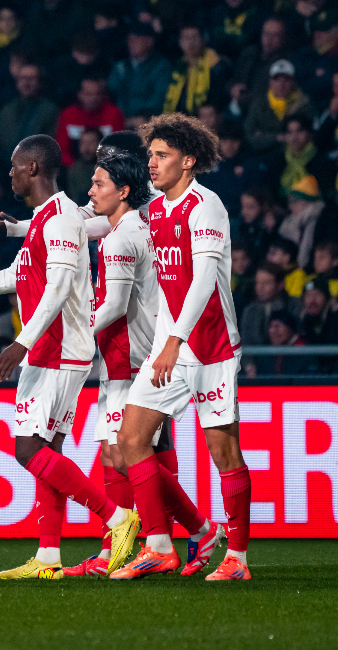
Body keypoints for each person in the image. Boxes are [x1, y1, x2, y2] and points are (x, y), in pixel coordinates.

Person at [0, 134, 140, 579]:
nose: (8, 173)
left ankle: (116, 518)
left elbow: (60, 287)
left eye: (13, 165)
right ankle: (48, 557)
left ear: (32, 168)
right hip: (50, 347)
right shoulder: (47, 219)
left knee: (28, 448)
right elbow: (16, 276)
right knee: (47, 450)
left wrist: (21, 342)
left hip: (59, 348)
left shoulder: (63, 215)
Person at [106, 113, 248, 580]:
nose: (152, 163)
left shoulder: (206, 206)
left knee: (224, 454)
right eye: (150, 155)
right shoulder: (155, 211)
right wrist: (12, 231)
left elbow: (205, 279)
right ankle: (161, 545)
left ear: (188, 161)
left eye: (162, 155)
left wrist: (172, 341)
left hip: (211, 346)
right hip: (173, 344)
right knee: (130, 440)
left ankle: (238, 559)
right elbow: (95, 225)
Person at [67, 150, 216, 577]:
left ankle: (159, 540)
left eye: (98, 182)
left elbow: (114, 303)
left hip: (133, 357)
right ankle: (182, 534)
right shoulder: (133, 226)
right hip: (128, 354)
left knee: (125, 451)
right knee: (124, 454)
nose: (90, 192)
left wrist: (73, 332)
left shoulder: (120, 237)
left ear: (124, 189)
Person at [244, 59, 313, 154]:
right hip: (265, 155)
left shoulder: (303, 104)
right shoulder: (259, 104)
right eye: (276, 79)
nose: (281, 84)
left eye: (286, 79)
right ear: (270, 81)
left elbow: (309, 135)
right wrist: (277, 138)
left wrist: (264, 136)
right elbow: (250, 136)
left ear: (293, 82)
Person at [0, 62, 58, 161]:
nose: (26, 82)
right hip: (5, 165)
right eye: (23, 78)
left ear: (39, 82)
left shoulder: (49, 111)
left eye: (31, 78)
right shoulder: (7, 110)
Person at [107, 22, 171, 122]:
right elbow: (111, 93)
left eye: (136, 40)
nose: (131, 43)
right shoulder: (120, 67)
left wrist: (145, 115)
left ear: (149, 41)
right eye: (129, 40)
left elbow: (159, 97)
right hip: (120, 119)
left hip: (148, 120)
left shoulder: (161, 67)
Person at [55, 77, 124, 167]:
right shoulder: (68, 115)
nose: (93, 99)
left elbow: (119, 148)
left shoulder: (114, 114)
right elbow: (61, 150)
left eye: (97, 94)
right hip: (73, 169)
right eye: (88, 94)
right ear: (80, 95)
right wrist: (77, 168)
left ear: (103, 95)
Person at [164, 24, 229, 117]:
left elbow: (219, 101)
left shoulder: (217, 66)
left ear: (204, 40)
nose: (191, 42)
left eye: (195, 37)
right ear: (180, 42)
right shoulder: (175, 68)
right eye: (186, 38)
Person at [241, 262, 300, 345]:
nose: (260, 288)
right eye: (257, 282)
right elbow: (247, 345)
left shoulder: (293, 306)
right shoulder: (250, 311)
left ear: (280, 285)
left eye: (266, 283)